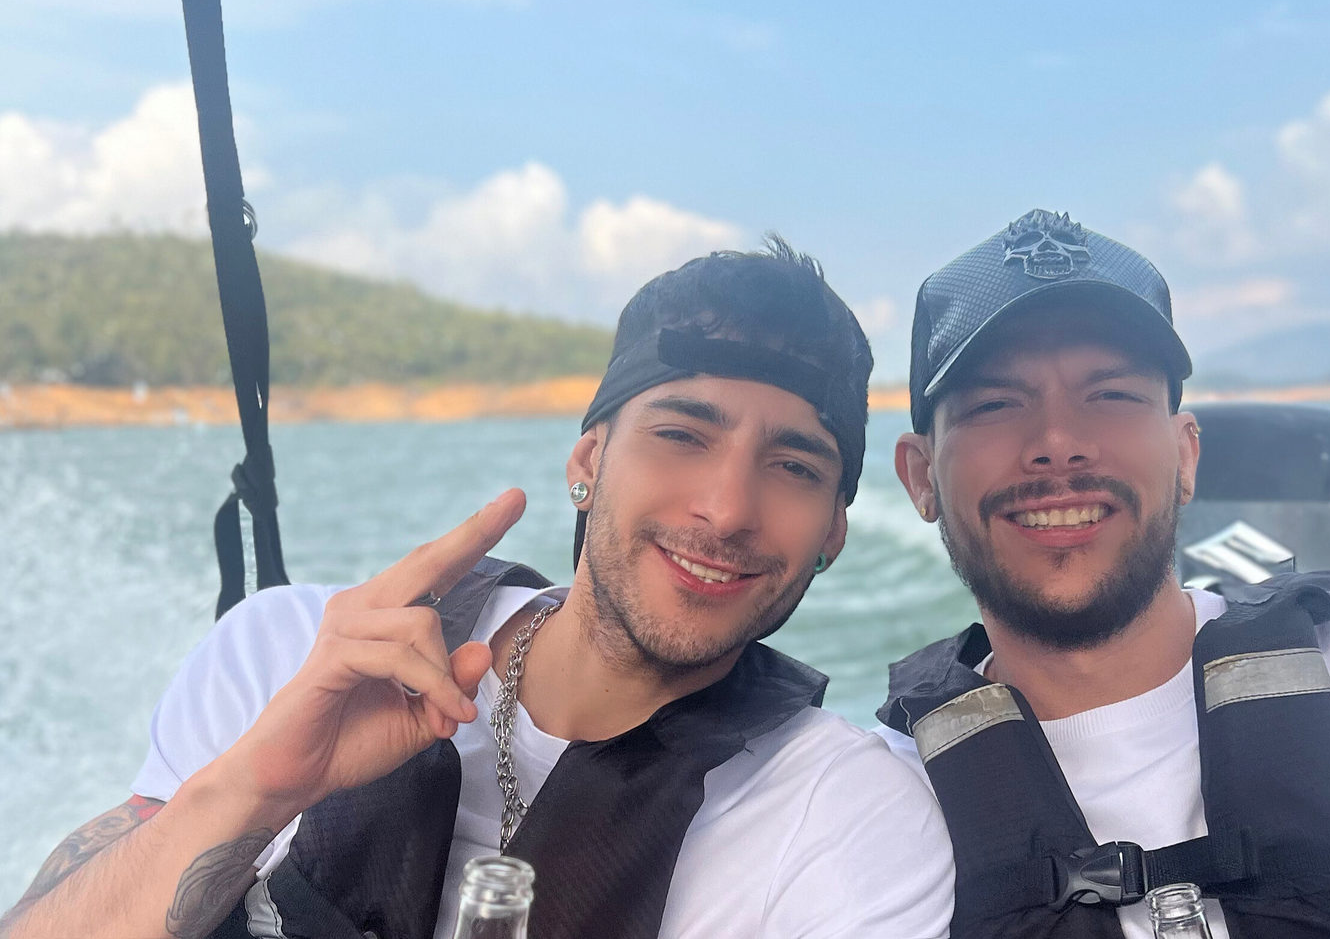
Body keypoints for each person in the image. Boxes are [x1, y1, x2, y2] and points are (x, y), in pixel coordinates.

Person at [3, 240, 955, 939]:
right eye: (681, 434)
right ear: (588, 462)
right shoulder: (285, 651)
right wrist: (255, 790)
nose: (726, 507)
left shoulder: (846, 819)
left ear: (834, 531)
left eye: (793, 466)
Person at [875, 208, 1330, 939]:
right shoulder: (863, 820)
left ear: (1186, 455)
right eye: (995, 404)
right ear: (920, 476)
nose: (1058, 443)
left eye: (1113, 395)